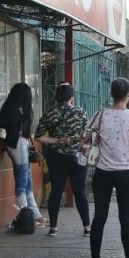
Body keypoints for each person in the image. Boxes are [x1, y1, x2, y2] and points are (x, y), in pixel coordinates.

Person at [87, 78, 129, 258]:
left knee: (99, 217)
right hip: (125, 173)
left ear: (112, 94)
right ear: (128, 94)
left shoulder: (100, 115)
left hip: (103, 173)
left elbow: (85, 138)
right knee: (126, 219)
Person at [34, 82, 90, 237]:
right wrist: (79, 143)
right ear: (72, 97)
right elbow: (87, 135)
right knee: (79, 191)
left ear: (57, 97)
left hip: (56, 156)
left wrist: (57, 140)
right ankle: (87, 227)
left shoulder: (50, 113)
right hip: (76, 157)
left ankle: (53, 228)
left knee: (57, 191)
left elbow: (39, 136)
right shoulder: (80, 112)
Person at [0, 83, 46, 228]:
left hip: (17, 145)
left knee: (26, 180)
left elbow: (1, 123)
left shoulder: (11, 108)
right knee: (23, 182)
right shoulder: (20, 110)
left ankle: (34, 214)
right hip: (18, 145)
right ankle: (26, 215)